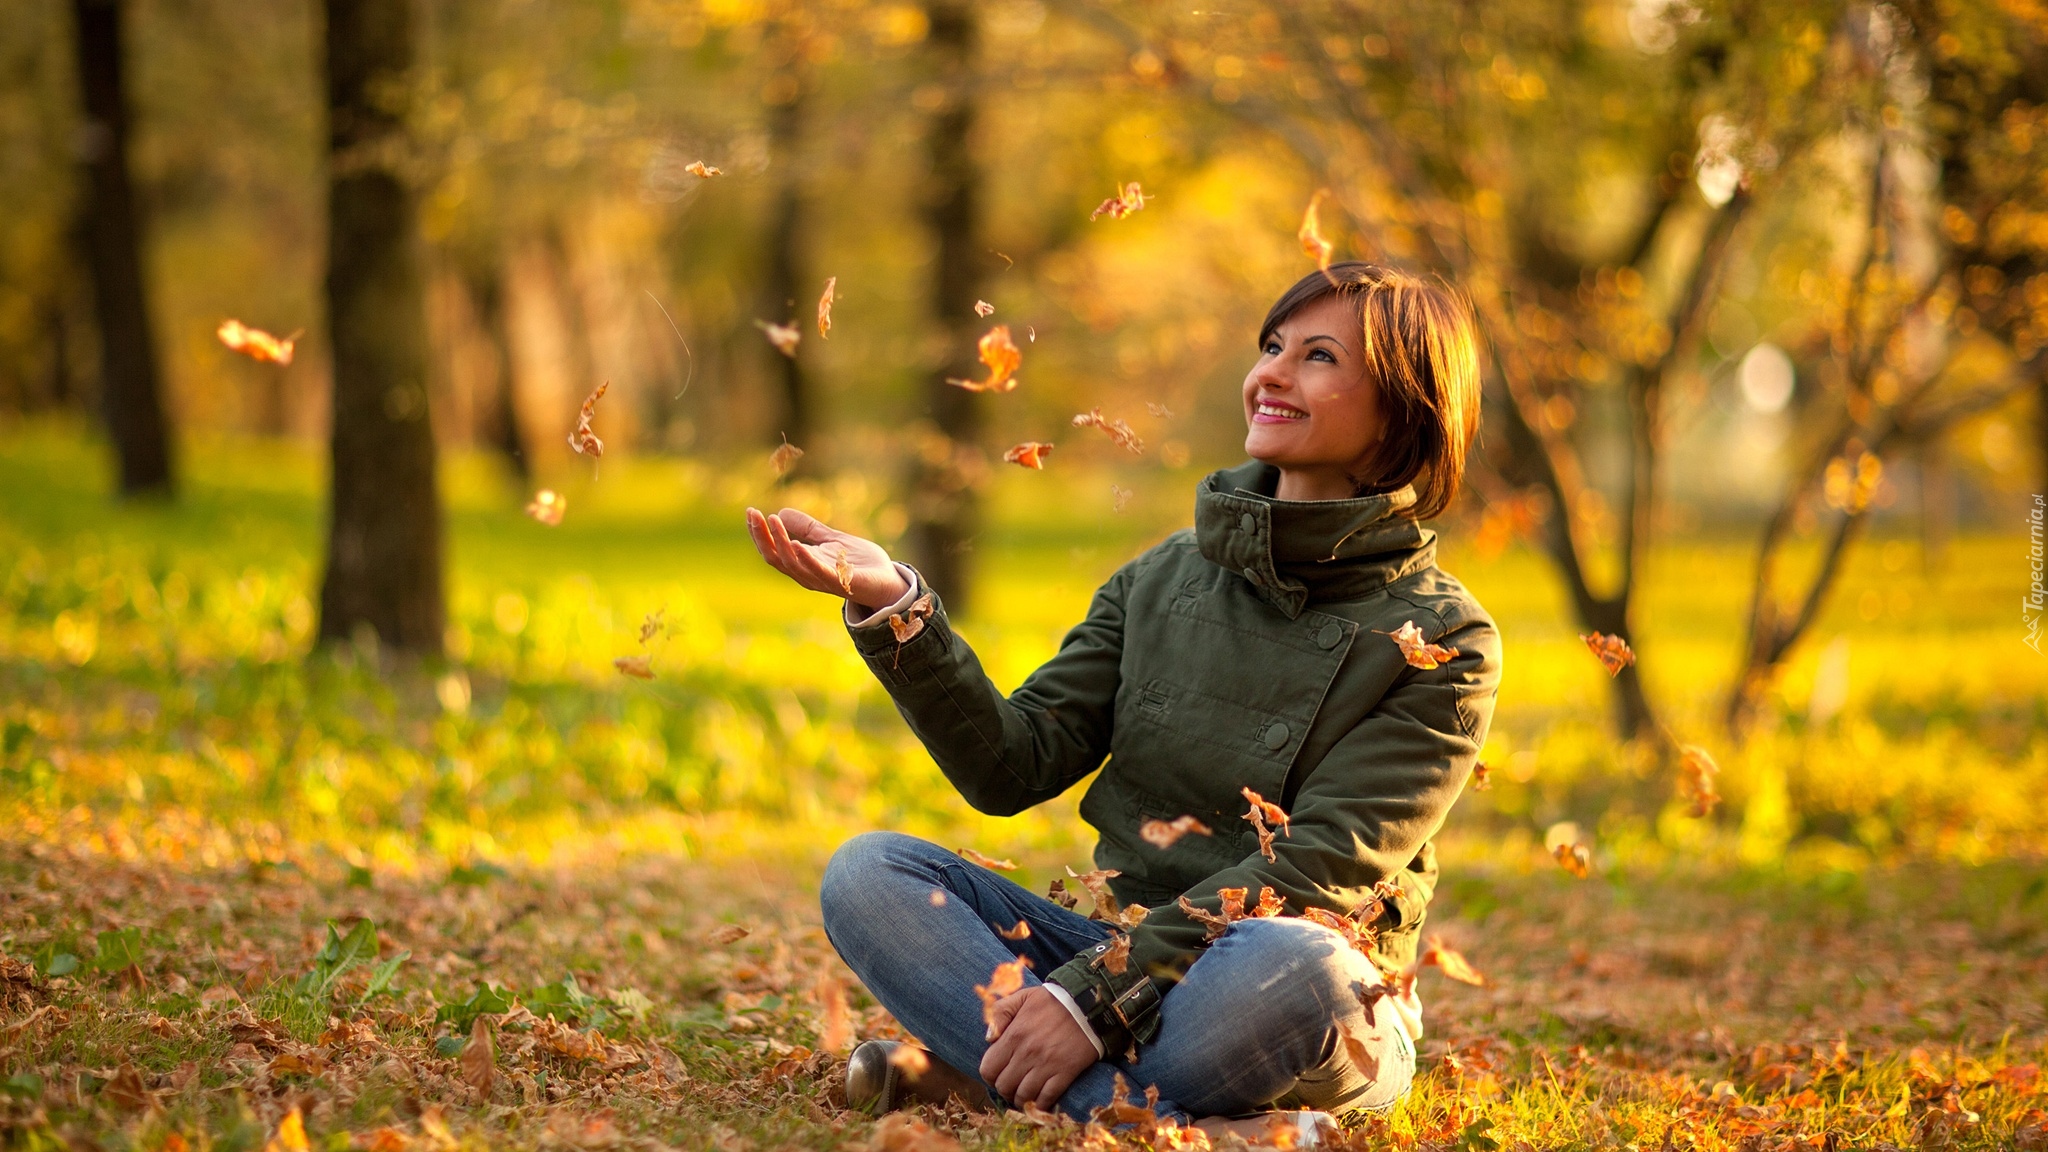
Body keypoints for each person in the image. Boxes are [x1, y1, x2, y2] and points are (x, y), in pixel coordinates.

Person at [744, 262, 1501, 1141]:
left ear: (1406, 411)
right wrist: (897, 608)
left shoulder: (1447, 639)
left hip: (1279, 983)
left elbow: (1318, 874)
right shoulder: (1162, 578)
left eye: (1319, 356)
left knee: (1307, 968)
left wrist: (1090, 1001)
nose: (1271, 374)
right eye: (1270, 347)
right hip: (1111, 953)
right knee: (868, 873)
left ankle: (984, 1074)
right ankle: (1177, 1127)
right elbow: (1011, 764)